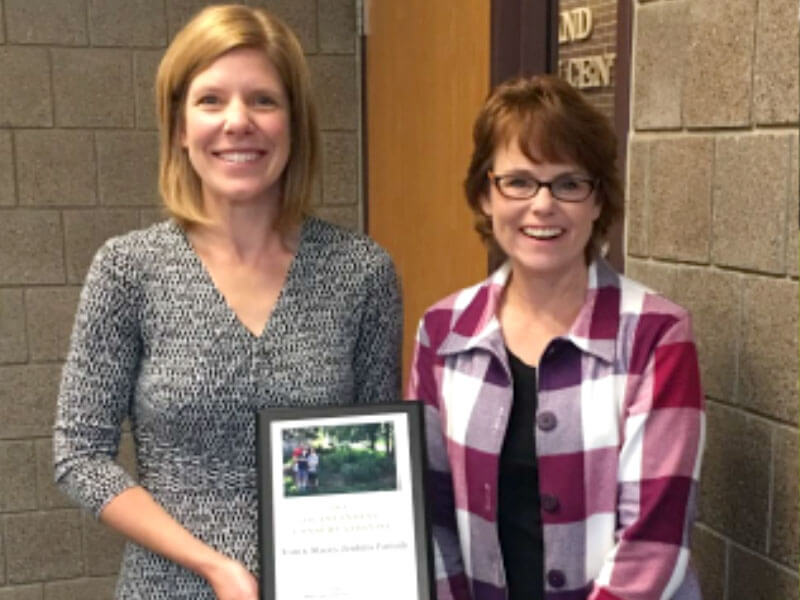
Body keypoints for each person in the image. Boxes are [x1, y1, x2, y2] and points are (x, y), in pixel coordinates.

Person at [53, 5, 401, 600]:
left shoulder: (361, 272)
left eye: (263, 100)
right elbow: (79, 455)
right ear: (180, 126)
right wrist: (216, 566)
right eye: (211, 100)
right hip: (168, 586)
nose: (238, 122)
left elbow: (372, 462)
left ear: (294, 123)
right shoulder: (128, 269)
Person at [406, 75, 704, 600]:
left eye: (568, 183)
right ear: (485, 195)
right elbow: (431, 517)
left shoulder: (657, 334)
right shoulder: (443, 331)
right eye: (518, 182)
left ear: (597, 201)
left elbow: (653, 541)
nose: (543, 205)